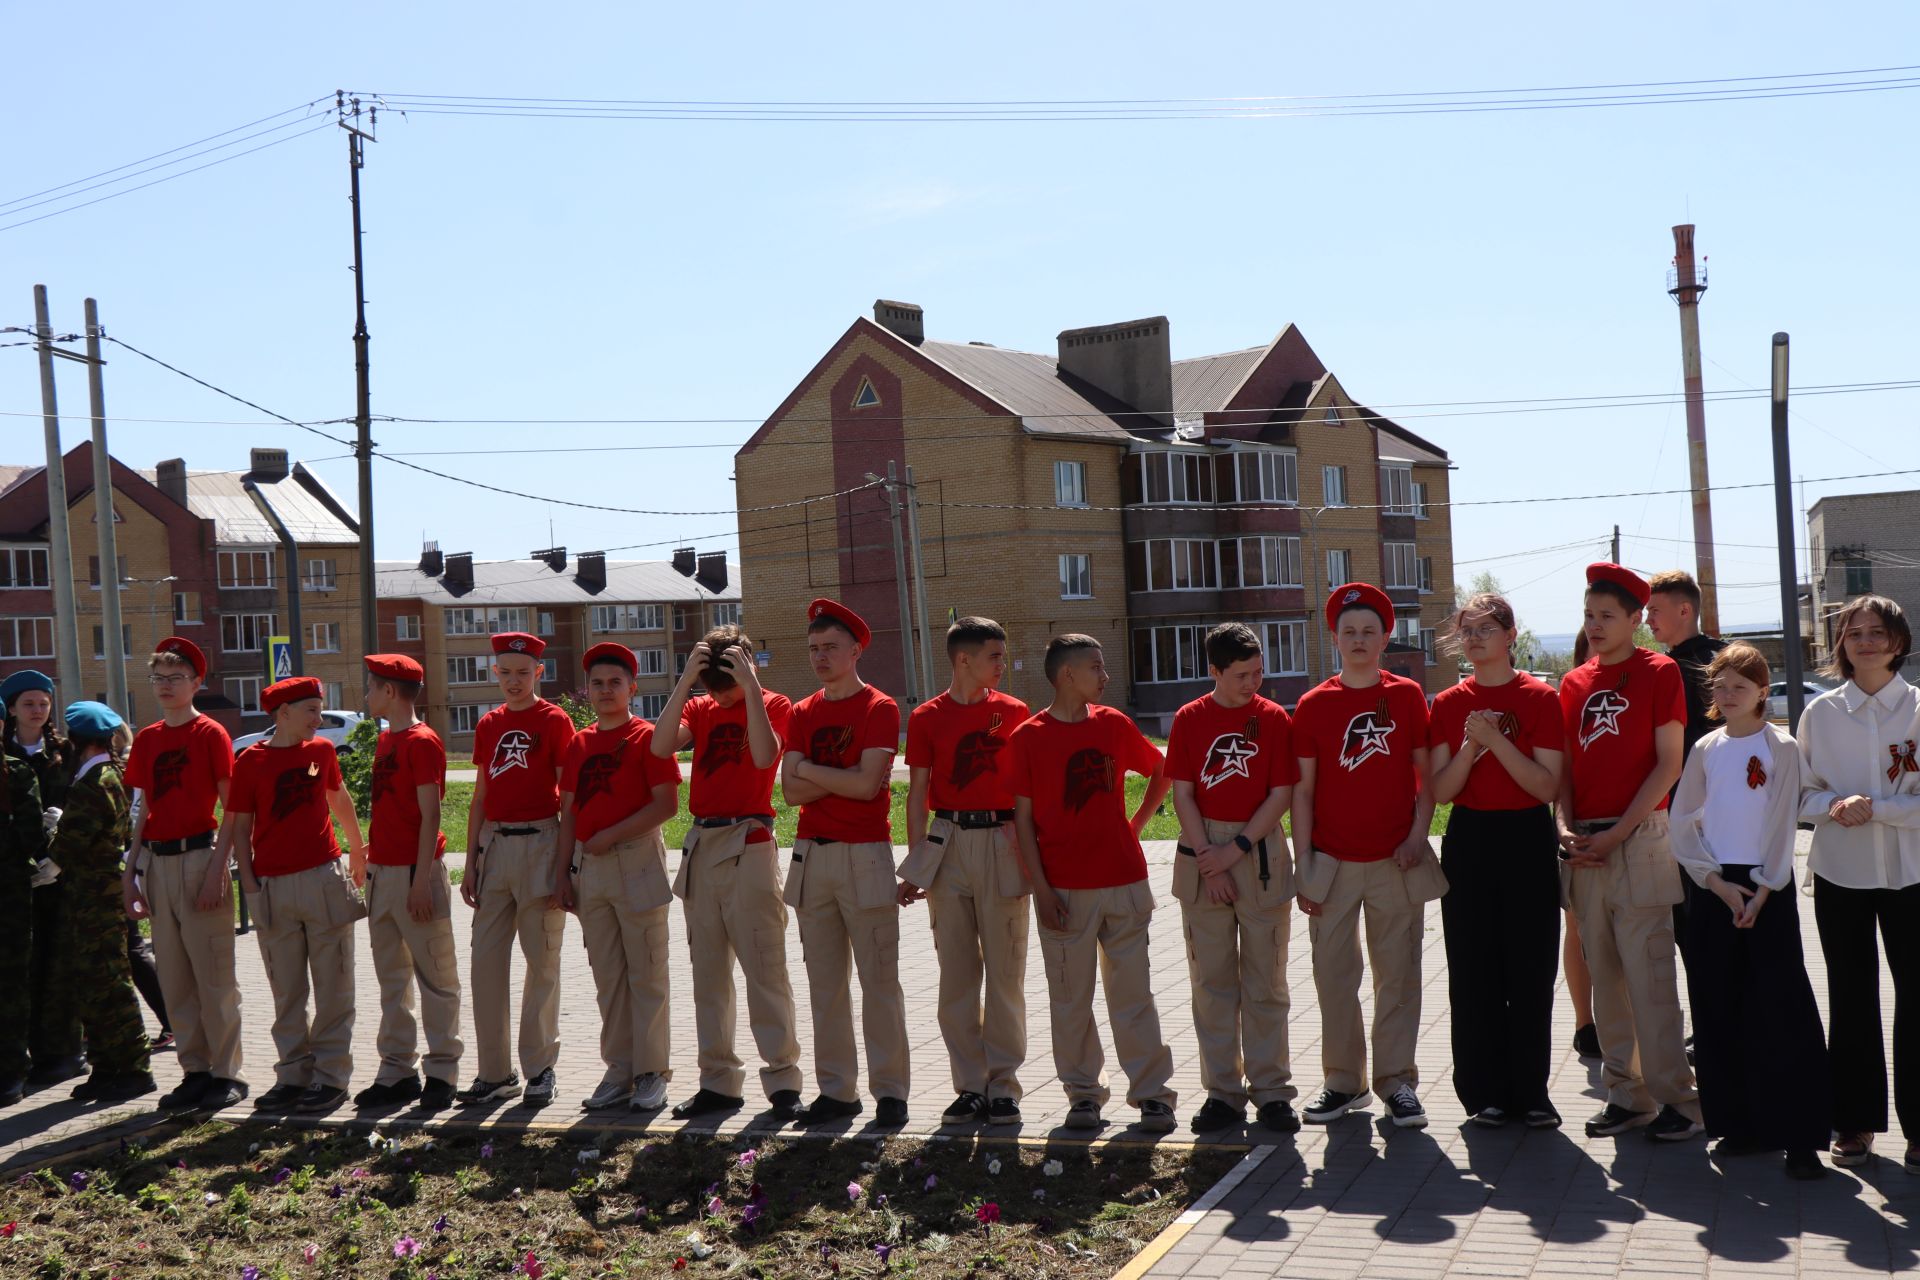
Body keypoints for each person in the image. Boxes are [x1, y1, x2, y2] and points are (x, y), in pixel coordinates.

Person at [1669, 642, 1830, 1180]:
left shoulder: (1780, 746)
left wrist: (1761, 888)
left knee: (1781, 1010)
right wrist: (1714, 882)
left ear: (1763, 691)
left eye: (1740, 685)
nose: (1729, 694)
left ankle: (1800, 1137)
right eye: (1720, 685)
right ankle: (1740, 1127)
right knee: (1718, 1005)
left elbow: (1784, 823)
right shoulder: (1706, 748)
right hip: (1717, 888)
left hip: (1768, 888)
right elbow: (1682, 820)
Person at [1007, 632, 1178, 1134]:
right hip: (1062, 890)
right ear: (1067, 675)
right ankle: (1083, 1095)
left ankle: (1152, 1095)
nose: (1105, 677)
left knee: (1133, 997)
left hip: (1123, 882)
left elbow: (1161, 769)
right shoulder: (1029, 737)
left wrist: (1136, 826)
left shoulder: (1114, 725)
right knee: (1070, 999)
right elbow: (1022, 822)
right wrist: (1039, 888)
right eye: (1096, 668)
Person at [1556, 562, 1702, 1141]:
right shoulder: (1573, 682)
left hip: (1639, 839)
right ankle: (1627, 1095)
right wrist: (1565, 827)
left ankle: (1680, 1102)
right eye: (1588, 615)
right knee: (1605, 976)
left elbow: (1670, 763)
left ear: (1636, 620)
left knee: (1650, 978)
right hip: (1584, 843)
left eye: (1606, 616)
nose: (1594, 625)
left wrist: (1617, 833)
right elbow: (1565, 768)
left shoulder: (1660, 671)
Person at [1291, 583, 1444, 1130]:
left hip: (1394, 861)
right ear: (1334, 638)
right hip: (1330, 862)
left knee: (1397, 977)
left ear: (1386, 637)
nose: (1358, 640)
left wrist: (1415, 836)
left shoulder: (1405, 697)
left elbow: (1426, 779)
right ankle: (1342, 1082)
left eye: (1369, 631)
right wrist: (1304, 863)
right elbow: (1302, 792)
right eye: (1349, 631)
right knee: (1334, 978)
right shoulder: (1313, 705)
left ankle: (1397, 1082)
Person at [652, 624, 804, 1123]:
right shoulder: (700, 706)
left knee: (765, 966)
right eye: (712, 686)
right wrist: (684, 682)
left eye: (728, 684)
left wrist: (753, 689)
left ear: (750, 667)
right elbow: (659, 746)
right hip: (703, 840)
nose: (720, 696)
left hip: (750, 840)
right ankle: (719, 1081)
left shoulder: (774, 704)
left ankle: (782, 1080)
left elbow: (764, 756)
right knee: (708, 973)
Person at [1429, 593, 1566, 1129]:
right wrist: (1470, 747)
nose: (1476, 638)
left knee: (1530, 968)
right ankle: (1482, 1093)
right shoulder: (1446, 703)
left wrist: (1492, 740)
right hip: (1471, 839)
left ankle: (1531, 1093)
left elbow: (1545, 786)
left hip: (1526, 839)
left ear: (1511, 635)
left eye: (1487, 628)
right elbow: (1442, 790)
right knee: (1473, 969)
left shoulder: (1539, 697)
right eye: (1468, 630)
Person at [1796, 594, 1920, 1172]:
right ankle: (1854, 1122)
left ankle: (1919, 1130)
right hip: (1841, 872)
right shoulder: (1820, 714)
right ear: (1839, 644)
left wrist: (1882, 809)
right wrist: (1834, 804)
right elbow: (1800, 793)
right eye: (1854, 633)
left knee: (1917, 998)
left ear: (1899, 641)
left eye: (1878, 631)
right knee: (1850, 996)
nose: (1866, 641)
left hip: (1912, 875)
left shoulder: (1918, 707)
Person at [1164, 623, 1299, 1135]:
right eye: (1242, 674)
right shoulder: (1189, 718)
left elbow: (1281, 793)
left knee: (1266, 982)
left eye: (1259, 671)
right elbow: (1183, 794)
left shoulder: (1272, 718)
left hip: (1258, 848)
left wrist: (1235, 850)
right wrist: (1208, 858)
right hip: (1203, 855)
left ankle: (1271, 1092)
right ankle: (1222, 1093)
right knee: (1212, 985)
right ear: (1214, 671)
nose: (1254, 682)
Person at [780, 599, 910, 1127]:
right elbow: (789, 792)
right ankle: (837, 1092)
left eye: (830, 647)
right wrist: (830, 776)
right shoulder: (800, 712)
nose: (820, 657)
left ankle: (891, 1092)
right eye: (813, 649)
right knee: (824, 985)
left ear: (856, 650)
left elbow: (864, 787)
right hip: (813, 857)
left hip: (866, 857)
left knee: (880, 981)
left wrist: (813, 769)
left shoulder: (880, 707)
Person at [898, 617, 1032, 1127]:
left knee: (1005, 974)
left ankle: (1004, 1086)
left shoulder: (1014, 712)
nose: (1003, 664)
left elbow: (1026, 793)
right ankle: (970, 1086)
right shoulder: (929, 718)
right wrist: (917, 865)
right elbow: (916, 795)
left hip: (1003, 841)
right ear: (963, 660)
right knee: (956, 975)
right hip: (947, 843)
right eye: (994, 656)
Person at [228, 675, 367, 1114]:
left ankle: (330, 1079)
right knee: (286, 991)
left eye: (321, 709)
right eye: (311, 710)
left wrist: (357, 850)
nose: (319, 719)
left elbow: (339, 798)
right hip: (271, 885)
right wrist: (249, 885)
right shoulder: (249, 762)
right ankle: (292, 1076)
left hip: (323, 879)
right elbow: (239, 828)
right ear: (282, 713)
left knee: (334, 987)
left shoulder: (322, 751)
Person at [554, 643, 682, 1113]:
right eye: (596, 683)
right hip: (591, 868)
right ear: (586, 691)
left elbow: (666, 804)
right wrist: (563, 872)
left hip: (637, 861)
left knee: (646, 973)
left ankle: (652, 1072)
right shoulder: (580, 742)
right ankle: (619, 1069)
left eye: (615, 682)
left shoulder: (648, 736)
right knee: (608, 975)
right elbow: (568, 813)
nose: (605, 691)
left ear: (633, 687)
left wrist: (610, 834)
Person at [123, 637, 246, 1112]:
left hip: (200, 857)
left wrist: (220, 867)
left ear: (197, 682)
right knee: (174, 975)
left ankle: (227, 1073)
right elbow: (144, 809)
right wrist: (130, 871)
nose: (166, 686)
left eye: (176, 678)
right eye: (159, 678)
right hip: (156, 863)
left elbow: (231, 807)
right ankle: (194, 1069)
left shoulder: (209, 733)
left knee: (213, 973)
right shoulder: (149, 738)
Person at [460, 631, 577, 1108]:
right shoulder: (489, 724)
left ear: (539, 674)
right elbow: (481, 797)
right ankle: (494, 1073)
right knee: (485, 964)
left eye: (522, 673)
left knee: (541, 962)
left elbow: (568, 800)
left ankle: (540, 1069)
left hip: (541, 844)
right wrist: (469, 864)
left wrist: (563, 868)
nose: (513, 681)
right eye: (505, 673)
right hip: (496, 848)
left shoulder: (554, 721)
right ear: (495, 673)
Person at [355, 654, 462, 1111]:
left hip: (416, 875)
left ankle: (442, 1073)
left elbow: (431, 813)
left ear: (390, 693)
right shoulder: (386, 740)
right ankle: (397, 1071)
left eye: (371, 687)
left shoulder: (422, 741)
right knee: (392, 981)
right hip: (382, 874)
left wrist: (420, 880)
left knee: (436, 979)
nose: (366, 695)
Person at [54, 702, 154, 1102]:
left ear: (77, 740)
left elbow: (72, 843)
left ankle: (134, 1067)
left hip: (95, 894)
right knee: (91, 984)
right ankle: (107, 1066)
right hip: (92, 893)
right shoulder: (106, 774)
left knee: (108, 983)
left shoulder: (94, 781)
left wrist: (52, 837)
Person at [1, 670, 85, 1088]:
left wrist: (63, 833)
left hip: (60, 871)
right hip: (15, 878)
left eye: (44, 703)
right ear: (12, 709)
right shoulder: (5, 753)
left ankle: (64, 1052)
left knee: (58, 960)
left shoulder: (64, 751)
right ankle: (25, 1051)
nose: (38, 710)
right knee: (22, 966)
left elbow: (83, 800)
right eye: (29, 703)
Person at [0, 698, 50, 1107]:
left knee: (11, 985)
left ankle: (11, 1072)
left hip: (9, 896)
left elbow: (32, 834)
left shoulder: (14, 772)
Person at [1565, 629, 1599, 1061]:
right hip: (1576, 827)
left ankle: (1624, 1017)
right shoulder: (1569, 694)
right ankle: (1583, 1022)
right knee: (1576, 928)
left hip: (1631, 828)